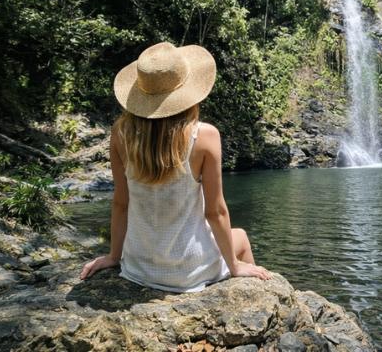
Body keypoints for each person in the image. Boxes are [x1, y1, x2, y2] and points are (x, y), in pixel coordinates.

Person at [79, 41, 271, 290]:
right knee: (241, 237)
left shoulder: (120, 133)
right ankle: (252, 296)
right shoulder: (205, 136)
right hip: (188, 270)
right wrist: (233, 264)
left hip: (139, 267)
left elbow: (121, 203)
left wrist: (114, 257)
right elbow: (216, 212)